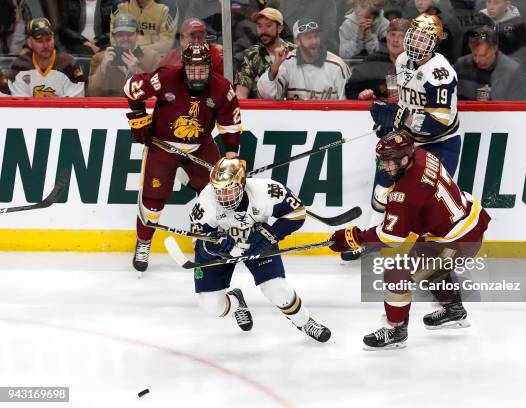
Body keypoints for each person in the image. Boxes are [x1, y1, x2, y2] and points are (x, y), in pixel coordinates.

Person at [329, 130, 491, 349]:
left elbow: (391, 237)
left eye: (390, 162)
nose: (385, 167)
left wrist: (352, 237)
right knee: (426, 262)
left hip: (457, 242)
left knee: (397, 272)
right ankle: (454, 310)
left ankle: (395, 329)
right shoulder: (423, 155)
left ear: (405, 159)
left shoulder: (406, 192)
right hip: (464, 226)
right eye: (383, 161)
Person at [124, 42, 243, 272]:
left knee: (214, 193)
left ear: (210, 67)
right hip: (162, 144)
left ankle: (204, 242)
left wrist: (231, 159)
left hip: (200, 145)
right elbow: (131, 88)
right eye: (192, 69)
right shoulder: (167, 76)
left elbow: (230, 126)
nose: (197, 74)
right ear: (183, 66)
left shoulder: (221, 88)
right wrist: (139, 117)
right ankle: (144, 242)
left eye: (202, 69)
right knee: (153, 199)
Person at [188, 157, 332, 342]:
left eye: (229, 191)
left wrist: (268, 235)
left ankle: (304, 322)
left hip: (256, 241)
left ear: (241, 185)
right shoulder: (205, 204)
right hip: (223, 247)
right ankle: (237, 302)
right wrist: (214, 247)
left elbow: (297, 212)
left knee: (278, 290)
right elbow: (198, 240)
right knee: (212, 307)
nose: (223, 197)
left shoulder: (266, 191)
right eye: (219, 191)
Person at [359, 14, 461, 262]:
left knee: (428, 200)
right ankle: (370, 241)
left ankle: (431, 255)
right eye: (413, 37)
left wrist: (400, 118)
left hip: (441, 143)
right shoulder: (403, 59)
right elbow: (404, 100)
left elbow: (438, 123)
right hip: (407, 139)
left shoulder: (440, 75)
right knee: (383, 189)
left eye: (423, 39)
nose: (415, 43)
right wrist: (390, 119)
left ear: (435, 43)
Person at [257, 18, 351, 100]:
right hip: (295, 119)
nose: (314, 41)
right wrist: (275, 65)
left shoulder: (337, 65)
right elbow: (266, 95)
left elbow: (346, 104)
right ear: (297, 41)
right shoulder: (287, 62)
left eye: (316, 36)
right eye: (308, 37)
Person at [7, 17, 85, 97]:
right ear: (29, 42)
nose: (45, 45)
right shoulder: (19, 66)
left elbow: (76, 103)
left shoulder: (69, 65)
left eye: (48, 39)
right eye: (39, 41)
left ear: (54, 39)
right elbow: (19, 105)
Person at [88, 13, 160, 96]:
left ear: (137, 34)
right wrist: (102, 68)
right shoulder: (99, 58)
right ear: (113, 36)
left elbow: (157, 92)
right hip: (111, 107)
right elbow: (92, 94)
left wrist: (137, 72)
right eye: (120, 35)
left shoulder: (152, 57)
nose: (125, 38)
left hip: (140, 106)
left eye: (129, 34)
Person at [236, 7, 296, 99]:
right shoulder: (250, 55)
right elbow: (240, 94)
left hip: (292, 110)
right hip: (261, 112)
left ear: (280, 28)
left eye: (268, 25)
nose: (263, 31)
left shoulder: (294, 52)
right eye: (259, 26)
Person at [454, 26, 526, 100]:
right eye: (474, 55)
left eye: (483, 55)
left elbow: (515, 108)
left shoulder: (513, 71)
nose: (477, 60)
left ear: (494, 48)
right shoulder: (461, 66)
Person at [345, 17, 410, 101]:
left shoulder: (418, 64)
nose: (395, 40)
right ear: (387, 37)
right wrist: (360, 95)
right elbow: (350, 88)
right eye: (392, 34)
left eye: (401, 36)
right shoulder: (373, 62)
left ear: (409, 40)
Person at [158, 17, 223, 76]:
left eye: (200, 37)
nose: (196, 41)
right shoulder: (170, 57)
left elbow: (223, 81)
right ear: (182, 39)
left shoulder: (214, 54)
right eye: (192, 37)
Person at [111, 0, 178, 55]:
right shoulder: (119, 5)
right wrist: (149, 39)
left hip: (157, 56)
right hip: (124, 54)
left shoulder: (168, 7)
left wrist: (131, 42)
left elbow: (166, 44)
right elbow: (114, 40)